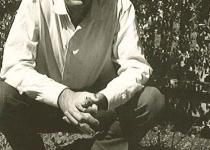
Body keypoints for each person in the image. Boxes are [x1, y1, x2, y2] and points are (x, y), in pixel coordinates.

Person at [0, 0, 165, 150]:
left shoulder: (119, 6)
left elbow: (136, 66)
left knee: (151, 100)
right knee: (2, 97)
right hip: (45, 104)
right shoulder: (35, 3)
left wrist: (105, 98)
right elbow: (15, 65)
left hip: (94, 106)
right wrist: (63, 96)